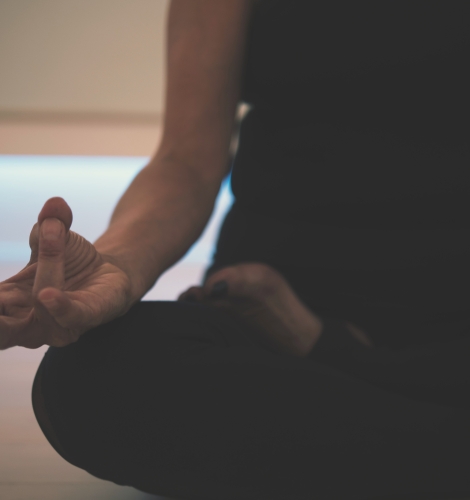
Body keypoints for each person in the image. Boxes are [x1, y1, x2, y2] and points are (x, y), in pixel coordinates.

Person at [2, 0, 470, 498]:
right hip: (266, 314)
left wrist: (327, 345)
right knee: (90, 381)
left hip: (451, 330)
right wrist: (117, 264)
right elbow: (186, 162)